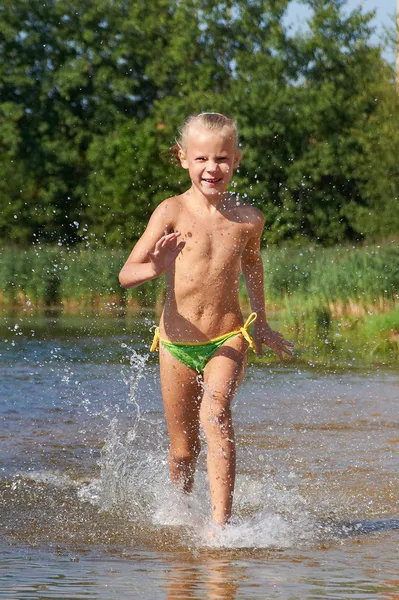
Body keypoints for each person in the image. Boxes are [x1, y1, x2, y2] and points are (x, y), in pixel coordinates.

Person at [119, 113, 293, 527]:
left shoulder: (248, 219)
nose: (211, 168)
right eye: (200, 159)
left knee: (215, 414)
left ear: (236, 159)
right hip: (176, 343)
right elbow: (127, 274)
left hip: (228, 337)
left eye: (221, 159)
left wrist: (261, 321)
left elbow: (253, 265)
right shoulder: (171, 211)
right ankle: (181, 514)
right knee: (182, 450)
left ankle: (220, 528)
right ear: (183, 159)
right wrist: (155, 266)